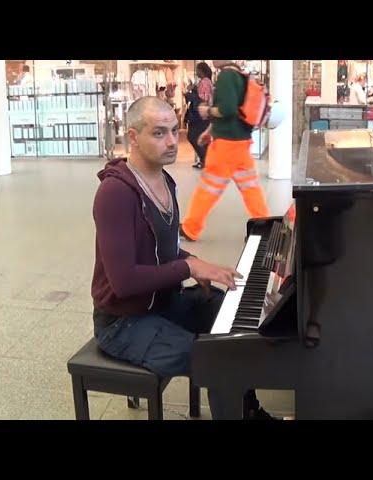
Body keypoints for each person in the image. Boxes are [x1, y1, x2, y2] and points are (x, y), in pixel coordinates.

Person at [91, 96, 274, 419]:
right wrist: (187, 266)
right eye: (159, 133)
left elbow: (164, 249)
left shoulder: (164, 180)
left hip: (161, 303)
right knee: (217, 358)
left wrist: (196, 264)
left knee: (224, 314)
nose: (173, 141)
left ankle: (249, 411)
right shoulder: (115, 194)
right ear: (133, 137)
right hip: (123, 322)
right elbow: (123, 281)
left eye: (176, 130)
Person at [180, 60, 270, 242]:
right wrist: (209, 131)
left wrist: (207, 111)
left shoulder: (226, 76)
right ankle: (265, 228)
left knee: (208, 187)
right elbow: (236, 112)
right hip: (241, 142)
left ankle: (191, 228)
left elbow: (227, 110)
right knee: (251, 189)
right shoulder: (239, 75)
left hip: (226, 146)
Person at [184, 62, 213, 169]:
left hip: (200, 115)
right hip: (203, 115)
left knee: (192, 136)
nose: (196, 72)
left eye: (198, 70)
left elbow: (203, 99)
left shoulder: (205, 82)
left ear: (202, 70)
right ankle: (206, 159)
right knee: (200, 137)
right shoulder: (205, 81)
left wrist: (189, 94)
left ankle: (204, 159)